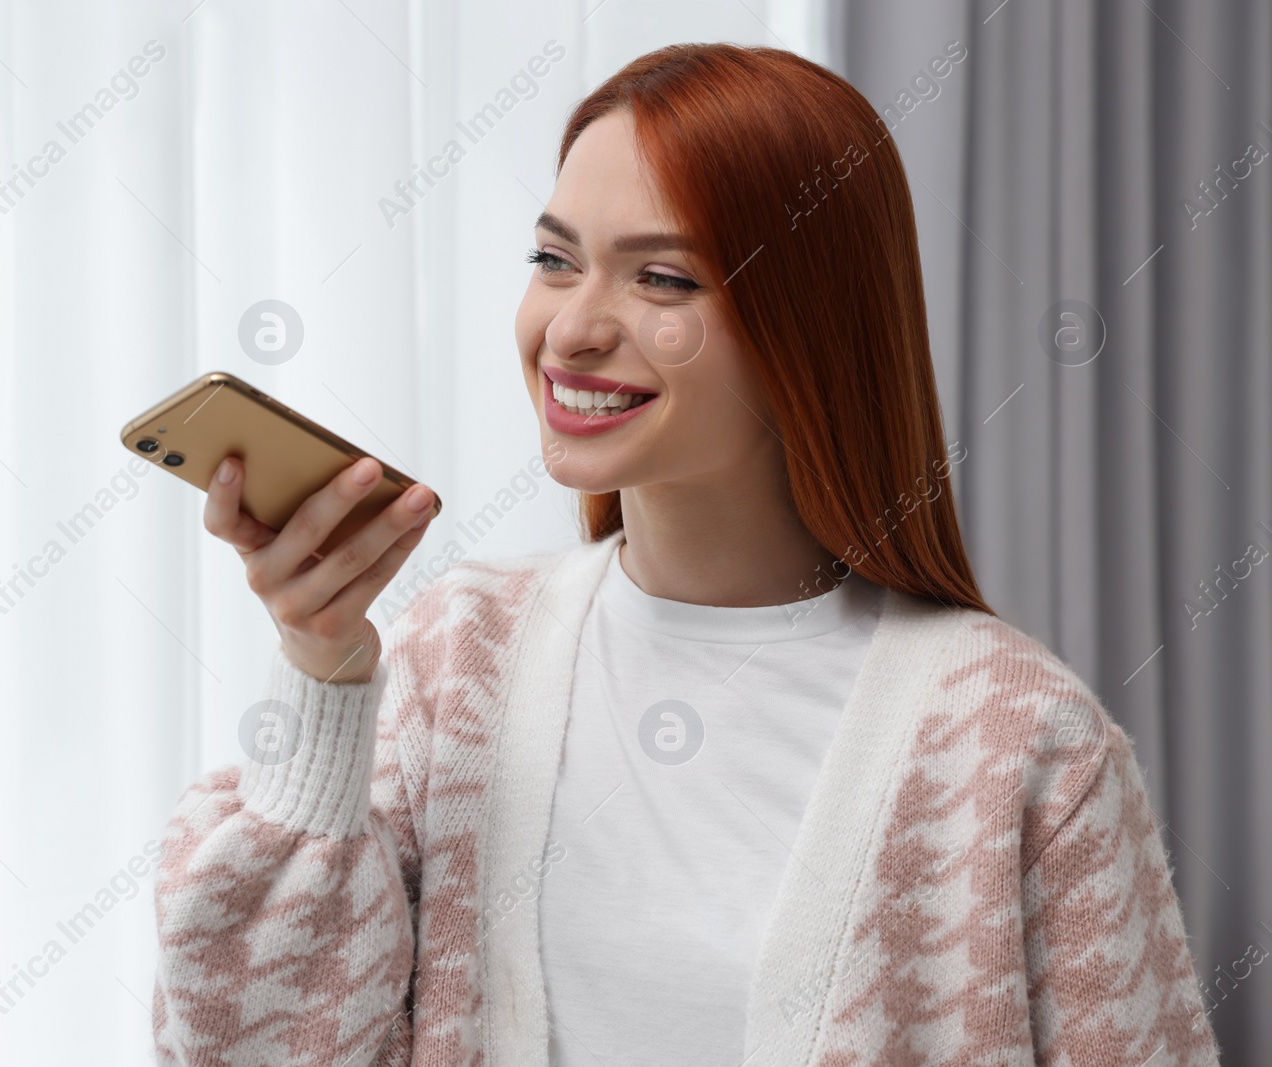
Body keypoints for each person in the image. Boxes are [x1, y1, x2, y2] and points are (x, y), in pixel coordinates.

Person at [150, 43, 1219, 1066]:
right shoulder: (456, 661)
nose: (570, 331)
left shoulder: (1017, 740)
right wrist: (323, 670)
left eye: (660, 280)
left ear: (804, 322)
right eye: (553, 260)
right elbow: (253, 1040)